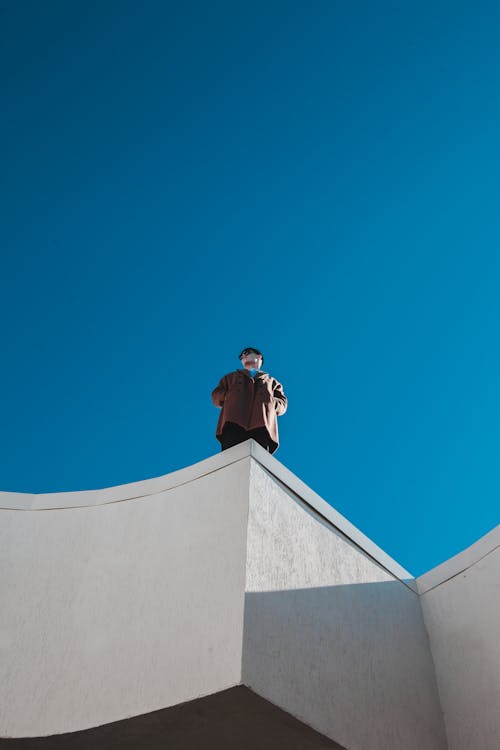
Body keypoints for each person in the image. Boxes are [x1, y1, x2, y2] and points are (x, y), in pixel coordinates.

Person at [211, 347, 287, 454]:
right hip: (233, 421)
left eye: (246, 353)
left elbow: (283, 404)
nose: (243, 357)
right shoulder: (231, 377)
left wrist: (270, 402)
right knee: (231, 459)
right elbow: (215, 395)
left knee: (258, 462)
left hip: (262, 424)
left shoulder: (272, 382)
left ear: (259, 356)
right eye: (241, 357)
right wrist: (229, 396)